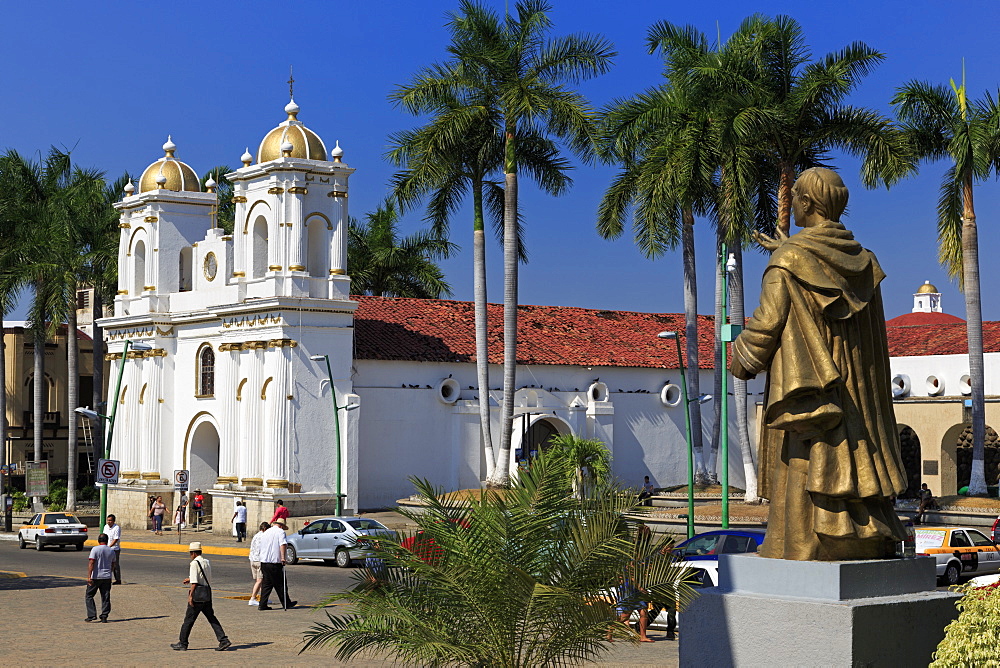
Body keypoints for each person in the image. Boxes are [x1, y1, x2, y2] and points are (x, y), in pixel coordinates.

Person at [730, 167, 907, 560]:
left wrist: (739, 358)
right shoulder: (864, 261)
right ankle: (864, 537)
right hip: (858, 393)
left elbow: (766, 327)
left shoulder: (788, 260)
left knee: (808, 462)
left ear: (807, 203)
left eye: (795, 199)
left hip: (815, 391)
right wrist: (787, 249)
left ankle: (812, 544)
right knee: (856, 457)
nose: (791, 204)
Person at [171, 542, 232, 651]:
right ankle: (223, 640)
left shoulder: (194, 563)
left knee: (189, 620)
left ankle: (183, 643)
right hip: (206, 594)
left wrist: (190, 596)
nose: (190, 555)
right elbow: (204, 577)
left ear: (193, 553)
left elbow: (194, 582)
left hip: (197, 595)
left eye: (190, 553)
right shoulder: (206, 562)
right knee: (211, 618)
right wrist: (190, 579)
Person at [257, 517, 296, 610]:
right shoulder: (280, 532)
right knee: (281, 584)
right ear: (281, 526)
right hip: (274, 562)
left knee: (267, 584)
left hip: (264, 562)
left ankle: (262, 604)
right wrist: (283, 557)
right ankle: (286, 603)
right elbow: (282, 544)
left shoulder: (266, 532)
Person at [85, 533, 116, 622]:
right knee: (105, 596)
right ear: (107, 541)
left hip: (96, 576)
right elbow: (113, 564)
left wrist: (89, 577)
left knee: (89, 595)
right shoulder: (111, 551)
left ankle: (92, 615)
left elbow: (91, 563)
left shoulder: (95, 549)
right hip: (107, 577)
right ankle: (104, 615)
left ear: (98, 541)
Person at [247, 522, 270, 606]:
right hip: (259, 560)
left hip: (252, 559)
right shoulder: (264, 537)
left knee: (259, 580)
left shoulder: (256, 535)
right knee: (260, 580)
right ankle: (252, 598)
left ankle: (263, 597)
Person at [103, 514, 122, 584]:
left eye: (110, 520)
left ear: (113, 521)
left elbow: (116, 539)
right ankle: (107, 578)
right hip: (106, 548)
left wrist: (109, 546)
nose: (109, 522)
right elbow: (104, 536)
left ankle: (118, 579)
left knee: (115, 565)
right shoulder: (105, 527)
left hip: (114, 549)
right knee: (107, 564)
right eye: (108, 520)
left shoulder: (116, 528)